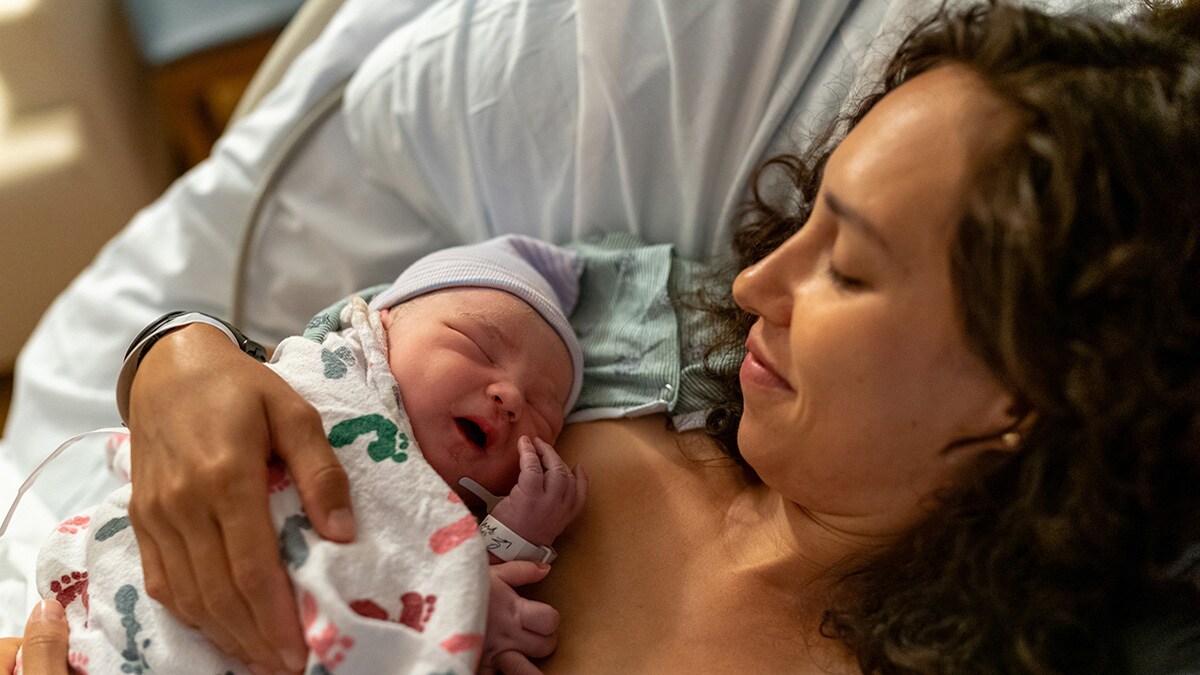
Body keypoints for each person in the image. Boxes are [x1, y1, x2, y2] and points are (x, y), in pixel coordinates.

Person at [12, 0, 1200, 673]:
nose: (756, 284)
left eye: (846, 266)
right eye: (811, 213)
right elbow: (322, 357)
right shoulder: (609, 351)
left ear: (1026, 390)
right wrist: (176, 358)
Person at [35, 235, 588, 674]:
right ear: (382, 324)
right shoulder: (320, 379)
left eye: (545, 410)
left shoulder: (451, 517)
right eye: (476, 345)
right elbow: (176, 441)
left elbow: (427, 552)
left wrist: (508, 541)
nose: (511, 397)